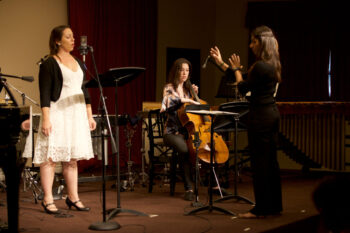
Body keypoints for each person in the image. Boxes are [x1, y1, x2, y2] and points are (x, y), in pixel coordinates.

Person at [210, 25, 282, 218]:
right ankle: (275, 206)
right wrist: (222, 63)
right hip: (272, 115)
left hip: (261, 117)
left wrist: (235, 70)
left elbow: (242, 87)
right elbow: (242, 77)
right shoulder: (272, 64)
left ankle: (261, 209)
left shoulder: (260, 66)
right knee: (271, 163)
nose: (250, 46)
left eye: (253, 41)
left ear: (262, 42)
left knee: (260, 164)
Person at [34, 25, 96, 214]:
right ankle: (48, 199)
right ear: (57, 41)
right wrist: (46, 119)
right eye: (68, 37)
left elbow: (83, 89)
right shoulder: (49, 63)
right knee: (50, 158)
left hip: (76, 114)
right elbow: (44, 94)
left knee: (72, 159)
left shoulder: (78, 62)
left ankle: (73, 197)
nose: (73, 39)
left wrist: (89, 114)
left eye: (73, 36)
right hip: (58, 112)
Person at [160, 58, 200, 201]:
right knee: (184, 150)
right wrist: (187, 100)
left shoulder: (189, 90)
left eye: (187, 70)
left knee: (200, 147)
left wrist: (195, 95)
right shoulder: (169, 87)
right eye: (181, 69)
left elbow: (195, 112)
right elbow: (168, 103)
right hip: (171, 133)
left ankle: (213, 185)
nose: (184, 73)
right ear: (176, 71)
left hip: (186, 132)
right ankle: (189, 187)